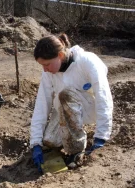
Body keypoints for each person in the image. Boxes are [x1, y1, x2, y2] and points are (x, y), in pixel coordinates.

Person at [30, 33, 113, 172]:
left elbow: (103, 97)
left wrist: (101, 136)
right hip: (67, 108)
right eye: (42, 65)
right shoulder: (48, 73)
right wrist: (36, 143)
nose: (45, 69)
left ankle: (77, 150)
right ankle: (65, 142)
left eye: (47, 64)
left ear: (60, 56)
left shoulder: (87, 62)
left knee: (65, 94)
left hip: (89, 108)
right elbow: (41, 105)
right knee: (51, 140)